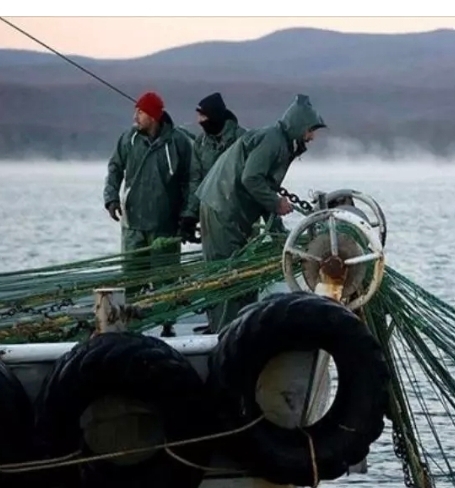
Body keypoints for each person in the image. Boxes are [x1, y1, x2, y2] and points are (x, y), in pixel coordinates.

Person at [195, 93, 326, 333]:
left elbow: (264, 186)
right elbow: (251, 178)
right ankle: (224, 332)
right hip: (221, 207)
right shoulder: (273, 141)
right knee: (226, 273)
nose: (312, 136)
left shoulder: (281, 143)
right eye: (310, 129)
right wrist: (277, 203)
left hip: (229, 208)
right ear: (298, 126)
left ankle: (238, 328)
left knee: (240, 272)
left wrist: (280, 236)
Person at [103, 90, 194, 336]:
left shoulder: (179, 143)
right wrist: (110, 197)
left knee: (166, 278)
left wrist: (188, 214)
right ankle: (131, 328)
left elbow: (191, 180)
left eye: (141, 112)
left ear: (153, 116)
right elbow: (115, 168)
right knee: (132, 278)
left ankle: (167, 324)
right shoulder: (128, 140)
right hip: (133, 224)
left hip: (164, 224)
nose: (136, 116)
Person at [183, 92, 247, 244]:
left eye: (203, 117)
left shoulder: (242, 140)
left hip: (241, 217)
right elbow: (196, 181)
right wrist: (190, 216)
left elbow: (252, 178)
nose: (199, 121)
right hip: (210, 216)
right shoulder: (201, 143)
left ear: (215, 116)